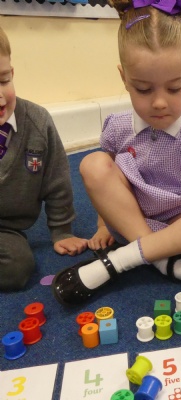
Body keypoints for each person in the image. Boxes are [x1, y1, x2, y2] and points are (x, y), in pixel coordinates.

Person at [51, 0, 181, 337]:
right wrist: (104, 223)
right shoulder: (118, 127)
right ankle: (163, 262)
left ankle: (121, 260)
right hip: (131, 222)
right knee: (93, 163)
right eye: (143, 89)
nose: (160, 102)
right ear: (124, 78)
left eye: (174, 88)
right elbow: (106, 179)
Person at [0, 27, 88, 291]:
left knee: (17, 268)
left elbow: (56, 181)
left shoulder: (38, 122)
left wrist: (61, 231)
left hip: (6, 230)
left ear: (12, 73)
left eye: (3, 80)